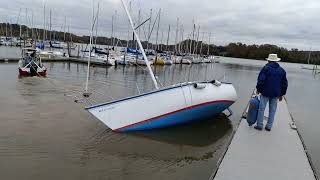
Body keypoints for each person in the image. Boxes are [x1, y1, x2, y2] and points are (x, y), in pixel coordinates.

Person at [255, 54, 288, 131]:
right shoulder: (282, 70)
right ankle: (269, 126)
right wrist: (281, 94)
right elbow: (284, 84)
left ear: (268, 60)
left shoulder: (265, 68)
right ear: (276, 61)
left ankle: (259, 125)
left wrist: (258, 89)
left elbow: (261, 80)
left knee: (261, 109)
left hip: (265, 92)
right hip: (276, 93)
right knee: (272, 110)